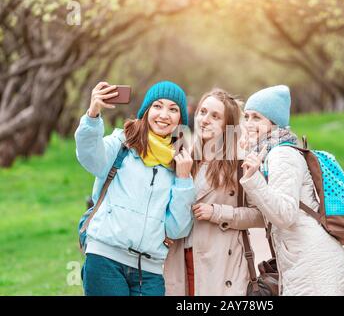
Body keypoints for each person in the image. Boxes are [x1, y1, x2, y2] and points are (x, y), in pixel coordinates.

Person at [75, 80, 195, 296]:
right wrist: (92, 116)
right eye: (158, 106)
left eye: (173, 109)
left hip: (149, 271)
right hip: (105, 260)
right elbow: (89, 156)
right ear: (147, 110)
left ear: (180, 120)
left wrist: (184, 181)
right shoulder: (122, 142)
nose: (164, 115)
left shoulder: (180, 161)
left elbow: (177, 228)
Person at [240, 85, 344, 296]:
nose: (248, 123)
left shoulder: (282, 155)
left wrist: (252, 178)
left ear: (273, 122)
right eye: (246, 117)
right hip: (305, 261)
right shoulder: (269, 153)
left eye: (256, 117)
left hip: (312, 263)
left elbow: (285, 214)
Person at [163, 88, 265, 296]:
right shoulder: (182, 157)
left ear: (227, 126)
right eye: (202, 112)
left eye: (215, 116)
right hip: (181, 261)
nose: (205, 120)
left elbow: (261, 215)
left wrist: (217, 212)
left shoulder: (239, 162)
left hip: (221, 267)